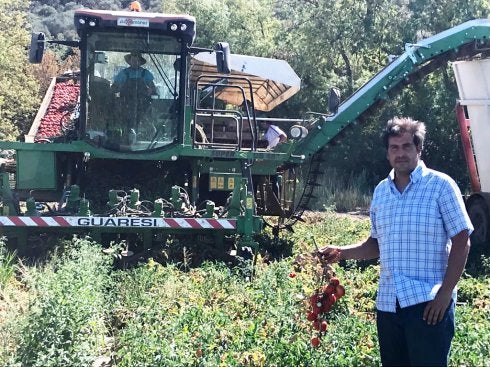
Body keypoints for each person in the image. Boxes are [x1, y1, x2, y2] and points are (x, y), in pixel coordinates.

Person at [318, 117, 473, 367]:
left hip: (428, 304)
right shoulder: (381, 191)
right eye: (394, 148)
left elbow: (462, 239)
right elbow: (376, 244)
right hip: (389, 305)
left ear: (419, 149)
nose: (400, 153)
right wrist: (340, 252)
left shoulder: (441, 186)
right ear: (388, 153)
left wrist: (445, 294)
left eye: (406, 146)